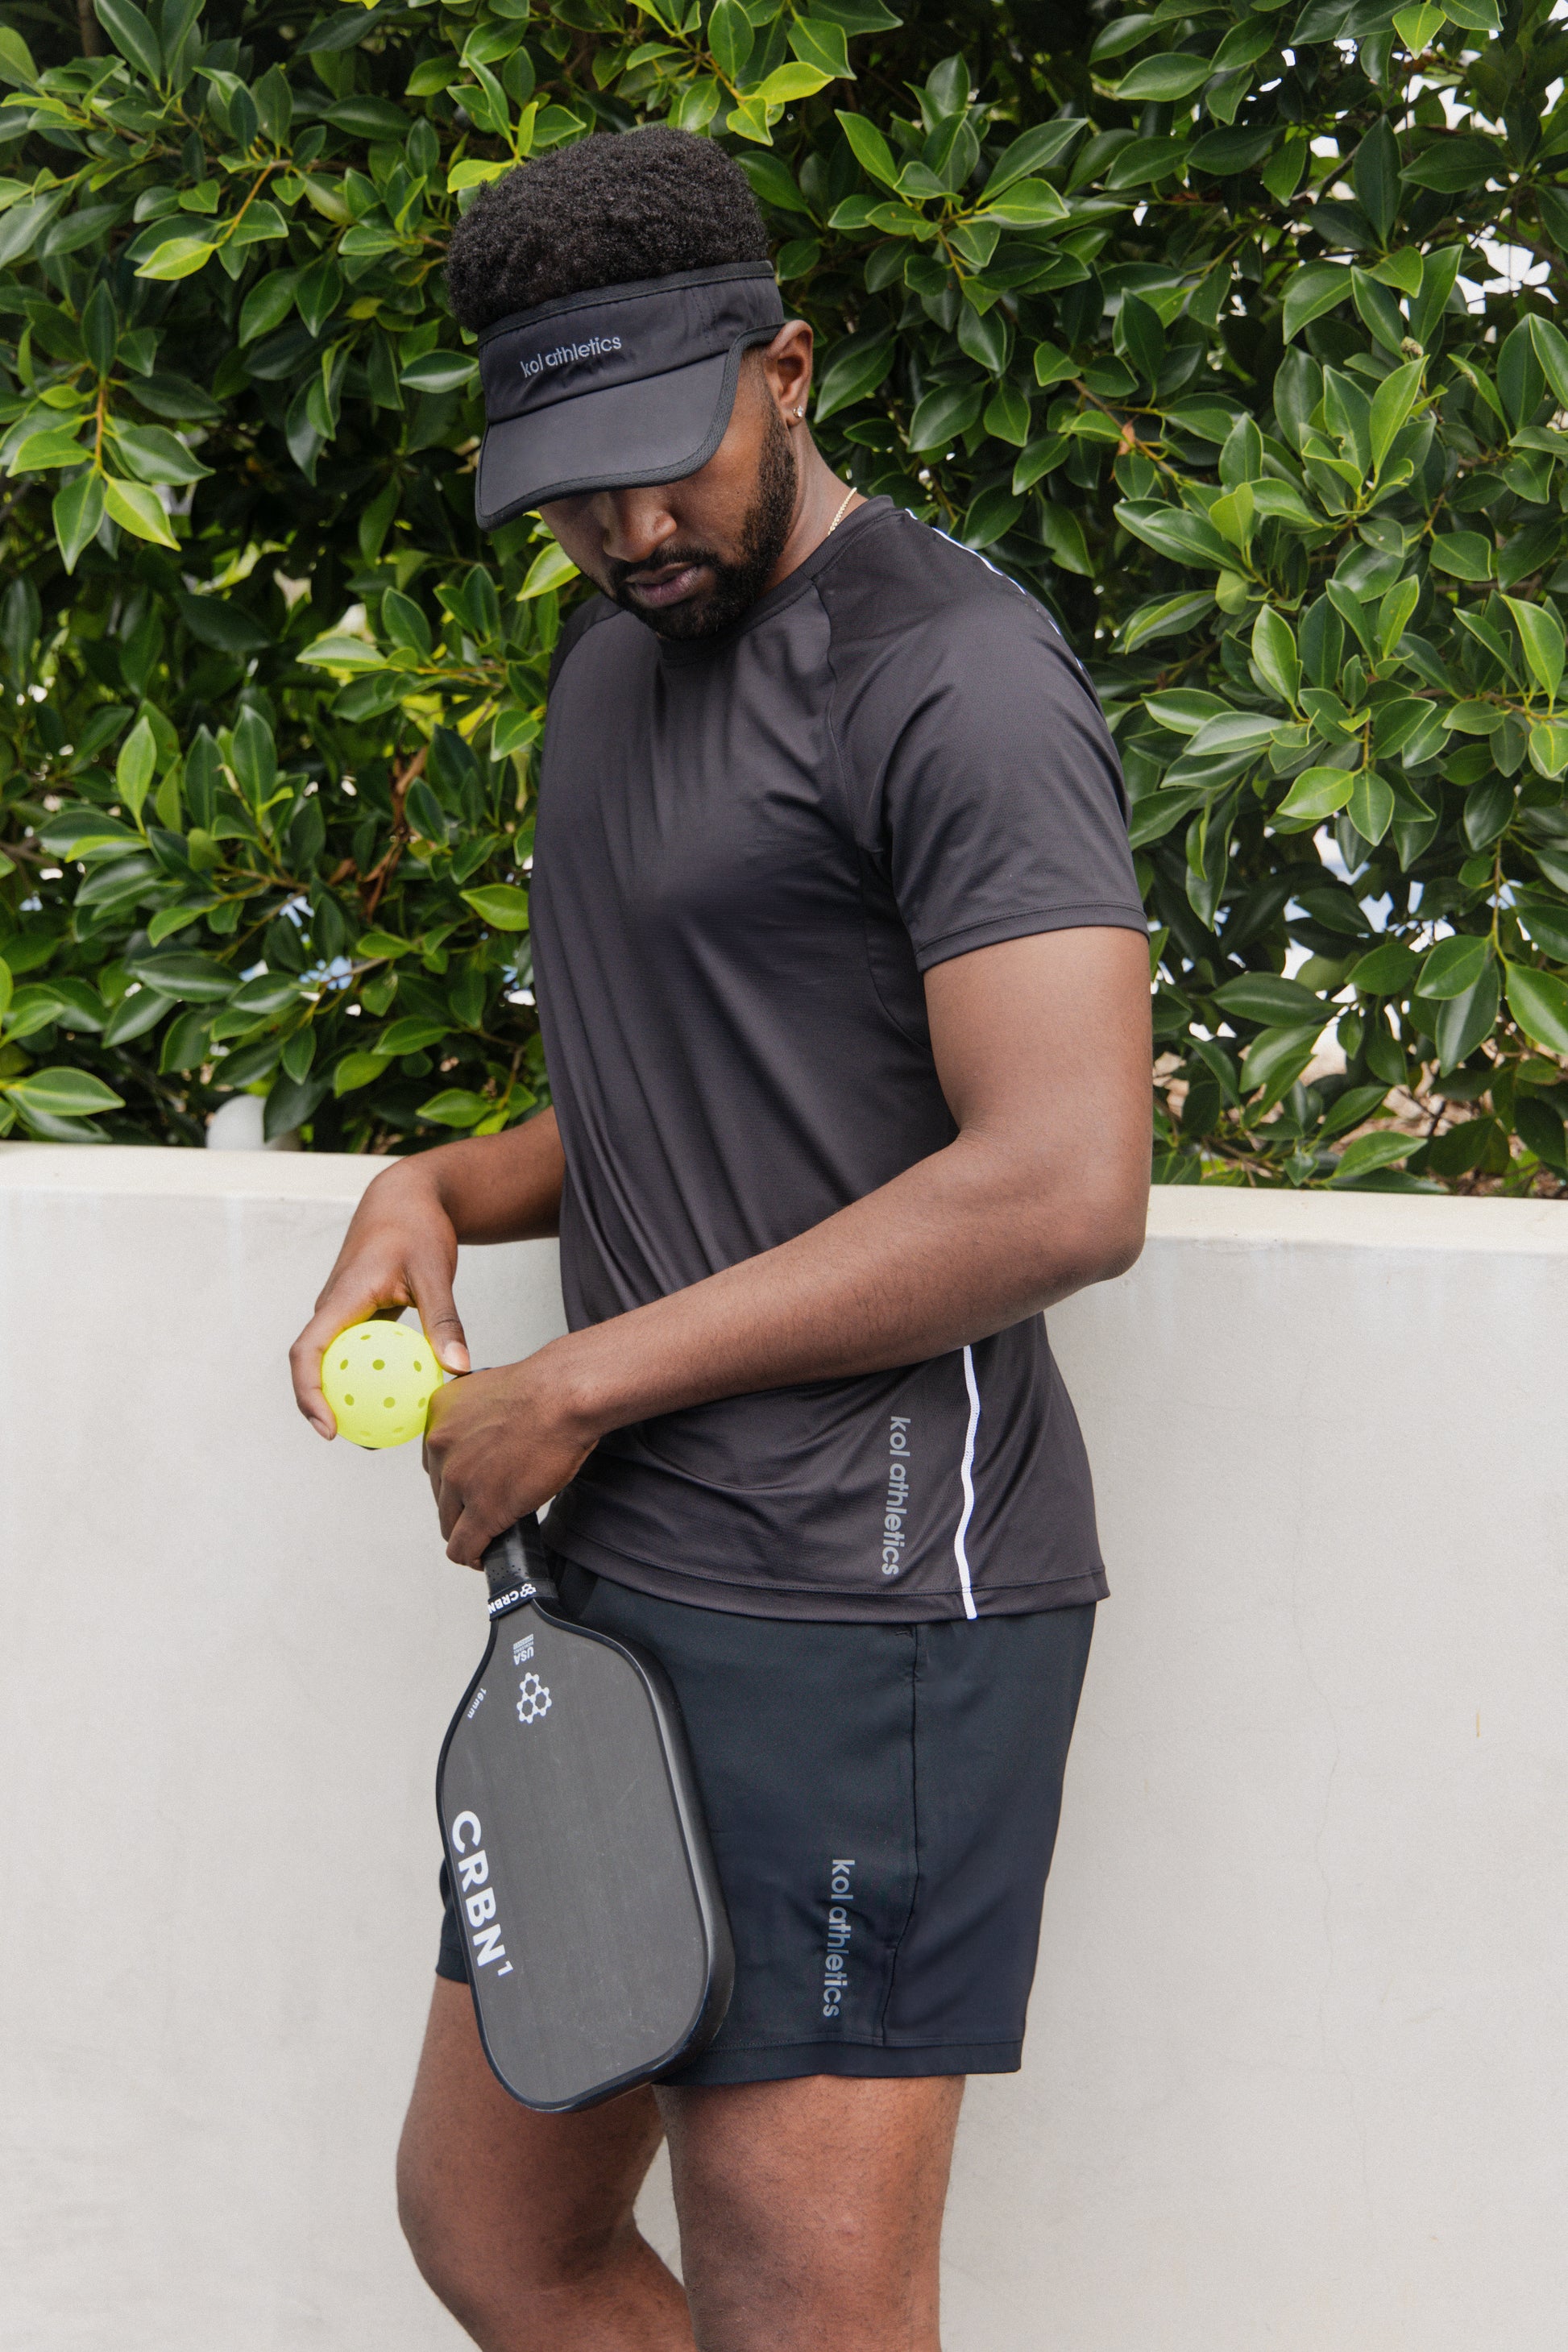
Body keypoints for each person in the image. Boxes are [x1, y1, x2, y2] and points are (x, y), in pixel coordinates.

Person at [290, 125, 1151, 2352]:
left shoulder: (952, 676)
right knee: (496, 2229)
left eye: (664, 461)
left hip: (871, 1608)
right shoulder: (612, 671)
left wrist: (572, 1379)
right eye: (570, 490)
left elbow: (1064, 1180)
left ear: (786, 369)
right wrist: (435, 1188)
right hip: (630, 1587)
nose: (626, 528)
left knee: (804, 2308)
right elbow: (700, 1089)